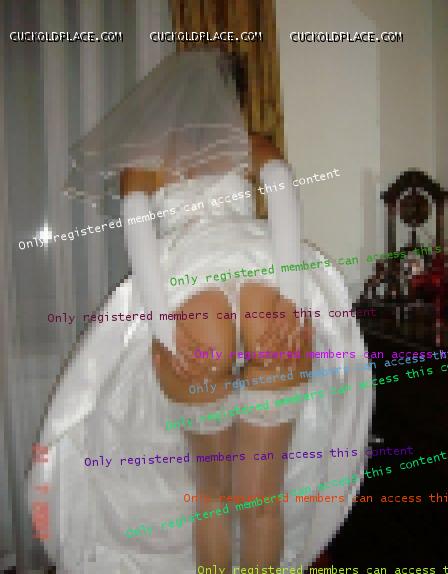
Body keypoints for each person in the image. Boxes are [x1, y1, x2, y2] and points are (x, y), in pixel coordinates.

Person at [27, 50, 373, 573]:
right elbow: (281, 187)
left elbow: (137, 225)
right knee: (262, 502)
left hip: (193, 296)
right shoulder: (249, 144)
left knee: (211, 496)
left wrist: (165, 330)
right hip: (263, 286)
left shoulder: (145, 161)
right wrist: (291, 299)